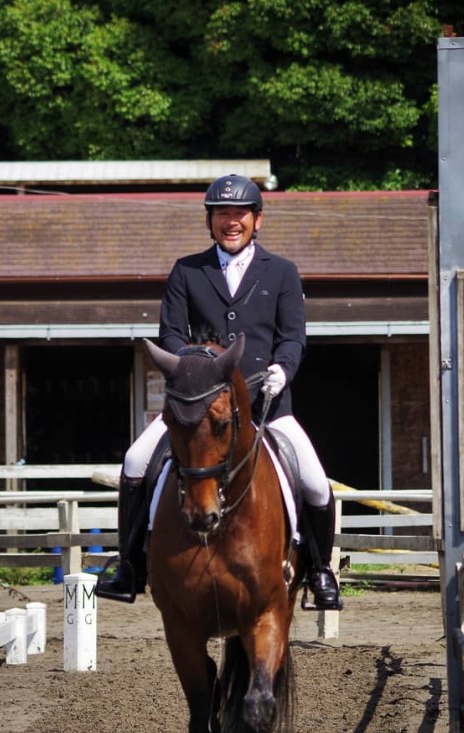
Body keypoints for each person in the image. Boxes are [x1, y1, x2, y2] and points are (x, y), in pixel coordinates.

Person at [95, 173, 342, 610]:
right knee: (135, 460)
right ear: (210, 222)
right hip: (198, 410)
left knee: (317, 484)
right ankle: (129, 565)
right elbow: (170, 334)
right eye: (222, 214)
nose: (231, 222)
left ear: (257, 221)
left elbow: (293, 337)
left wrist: (282, 370)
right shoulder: (187, 271)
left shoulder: (281, 272)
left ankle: (321, 571)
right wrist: (195, 370)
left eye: (240, 214)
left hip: (267, 408)